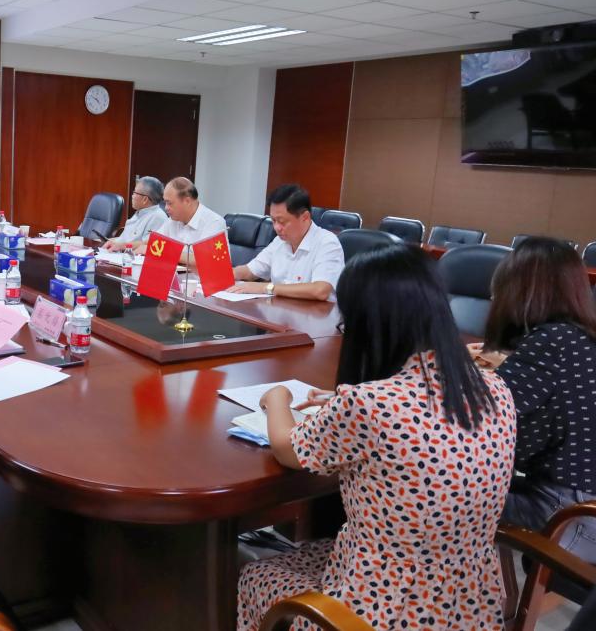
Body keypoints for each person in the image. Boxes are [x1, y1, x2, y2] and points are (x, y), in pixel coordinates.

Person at [238, 245, 516, 630]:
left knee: (254, 574)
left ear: (369, 324)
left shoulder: (370, 404)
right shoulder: (494, 387)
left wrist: (277, 398)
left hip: (382, 610)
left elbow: (287, 448)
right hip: (470, 604)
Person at [472, 237, 596, 562]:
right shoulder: (581, 339)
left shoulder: (552, 342)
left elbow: (488, 431)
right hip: (581, 506)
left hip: (571, 516)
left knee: (436, 489)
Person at [227, 184, 343, 301]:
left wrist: (266, 288)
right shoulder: (279, 241)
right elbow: (250, 270)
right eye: (273, 220)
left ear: (305, 217)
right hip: (279, 309)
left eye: (282, 221)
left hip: (314, 311)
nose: (276, 227)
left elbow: (320, 290)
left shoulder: (327, 243)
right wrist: (226, 275)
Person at [144, 176, 226, 265]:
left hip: (197, 274)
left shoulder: (214, 222)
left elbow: (205, 259)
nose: (166, 208)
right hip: (174, 272)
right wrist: (138, 246)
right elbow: (154, 243)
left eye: (169, 203)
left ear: (187, 201)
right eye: (165, 202)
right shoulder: (173, 219)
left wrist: (164, 251)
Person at [102, 176, 168, 250]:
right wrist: (111, 241)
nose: (132, 196)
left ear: (145, 199)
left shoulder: (157, 217)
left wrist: (122, 246)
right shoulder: (141, 212)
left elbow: (148, 245)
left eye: (135, 192)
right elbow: (125, 239)